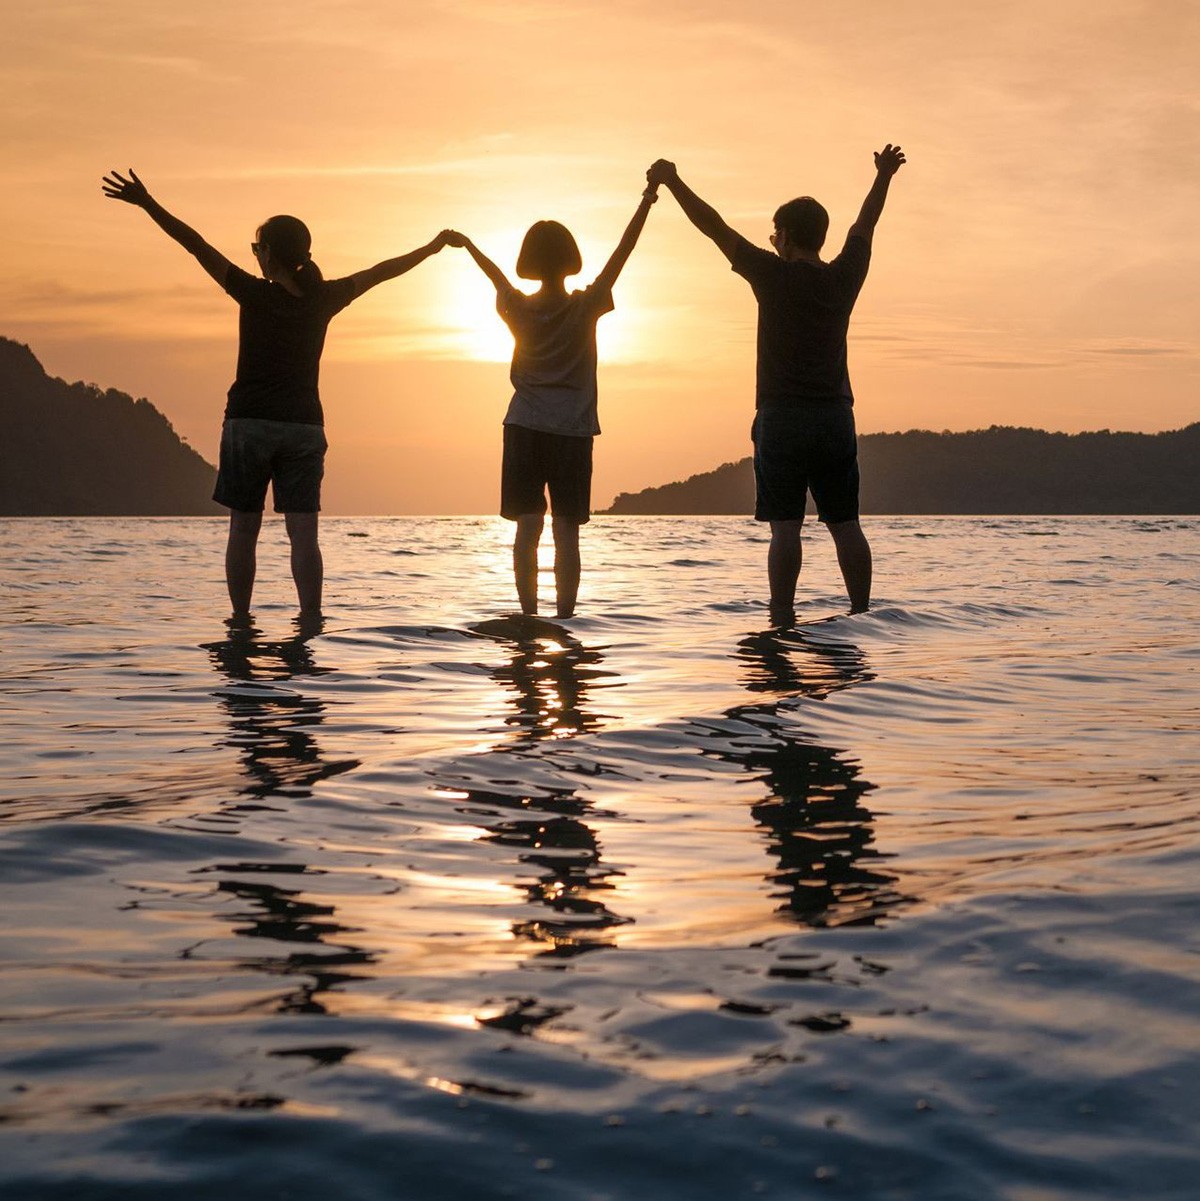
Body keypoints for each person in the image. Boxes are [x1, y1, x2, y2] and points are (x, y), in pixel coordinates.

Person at [102, 168, 453, 622]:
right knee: (303, 535)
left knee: (243, 530)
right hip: (304, 427)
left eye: (257, 250)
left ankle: (242, 625)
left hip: (249, 424)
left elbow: (195, 244)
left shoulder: (253, 293)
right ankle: (311, 623)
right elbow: (382, 272)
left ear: (269, 255)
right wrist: (432, 247)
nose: (255, 257)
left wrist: (147, 203)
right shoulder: (324, 297)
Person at [648, 145, 906, 623]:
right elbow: (865, 225)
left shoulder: (770, 274)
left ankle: (781, 619)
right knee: (846, 525)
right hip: (834, 418)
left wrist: (673, 181)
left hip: (782, 419)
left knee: (785, 530)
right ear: (821, 238)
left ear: (784, 237)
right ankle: (862, 615)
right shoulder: (843, 276)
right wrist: (883, 176)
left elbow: (714, 227)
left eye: (774, 234)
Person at [444, 180, 659, 618]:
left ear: (528, 261)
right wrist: (647, 200)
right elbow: (623, 251)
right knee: (566, 533)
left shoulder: (516, 307)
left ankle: (528, 617)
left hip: (523, 427)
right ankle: (565, 619)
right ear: (570, 260)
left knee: (527, 529)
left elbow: (494, 275)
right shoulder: (587, 304)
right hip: (572, 432)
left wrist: (467, 245)